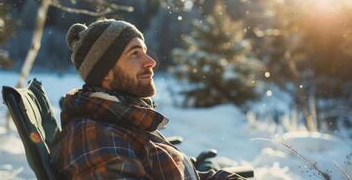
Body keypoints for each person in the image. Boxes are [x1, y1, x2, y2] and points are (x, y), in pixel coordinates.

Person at [50, 19, 244, 180]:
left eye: (144, 51)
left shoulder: (120, 120)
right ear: (105, 73)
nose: (151, 62)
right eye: (135, 53)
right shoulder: (95, 135)